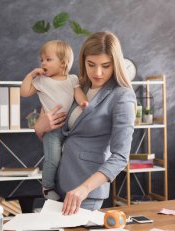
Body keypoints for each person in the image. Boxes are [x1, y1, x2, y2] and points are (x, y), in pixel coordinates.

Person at [34, 31, 136, 215]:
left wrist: (84, 188)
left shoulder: (122, 96)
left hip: (85, 191)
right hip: (59, 182)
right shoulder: (79, 86)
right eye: (91, 64)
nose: (97, 73)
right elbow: (58, 133)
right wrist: (39, 127)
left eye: (106, 66)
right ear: (83, 61)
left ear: (116, 63)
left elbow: (121, 156)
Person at [21, 40, 88, 201]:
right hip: (51, 130)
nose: (43, 63)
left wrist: (84, 103)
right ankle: (47, 186)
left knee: (67, 159)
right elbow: (24, 92)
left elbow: (78, 93)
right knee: (53, 158)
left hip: (70, 128)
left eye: (48, 59)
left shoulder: (72, 79)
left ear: (63, 63)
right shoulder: (41, 81)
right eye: (41, 60)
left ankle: (66, 186)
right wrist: (31, 75)